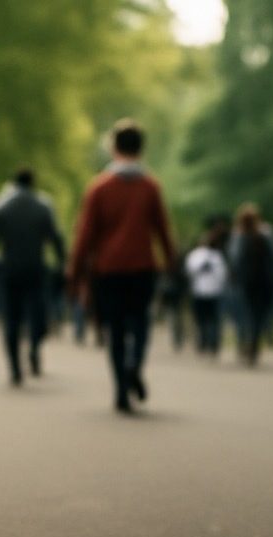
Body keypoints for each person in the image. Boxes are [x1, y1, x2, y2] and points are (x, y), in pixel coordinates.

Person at [68, 119, 175, 413]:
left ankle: (120, 390)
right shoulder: (151, 186)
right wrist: (171, 263)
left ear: (114, 147)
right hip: (142, 267)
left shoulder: (99, 188)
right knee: (140, 323)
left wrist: (74, 274)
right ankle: (134, 366)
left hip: (109, 270)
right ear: (141, 148)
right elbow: (163, 230)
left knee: (114, 329)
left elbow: (85, 236)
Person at [0, 167, 66, 385]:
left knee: (11, 319)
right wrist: (62, 263)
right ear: (32, 182)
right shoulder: (43, 205)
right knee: (38, 315)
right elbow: (56, 238)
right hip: (36, 269)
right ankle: (35, 347)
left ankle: (15, 366)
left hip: (8, 270)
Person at [227, 202, 273, 366]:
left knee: (247, 313)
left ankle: (246, 342)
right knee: (259, 315)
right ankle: (254, 342)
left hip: (247, 282)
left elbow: (234, 259)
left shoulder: (239, 235)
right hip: (265, 281)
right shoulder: (268, 232)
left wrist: (233, 277)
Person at [185, 215, 230, 358]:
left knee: (205, 320)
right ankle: (208, 342)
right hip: (208, 292)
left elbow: (190, 271)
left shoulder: (204, 256)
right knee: (209, 320)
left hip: (204, 292)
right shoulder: (212, 256)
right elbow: (222, 275)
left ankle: (208, 342)